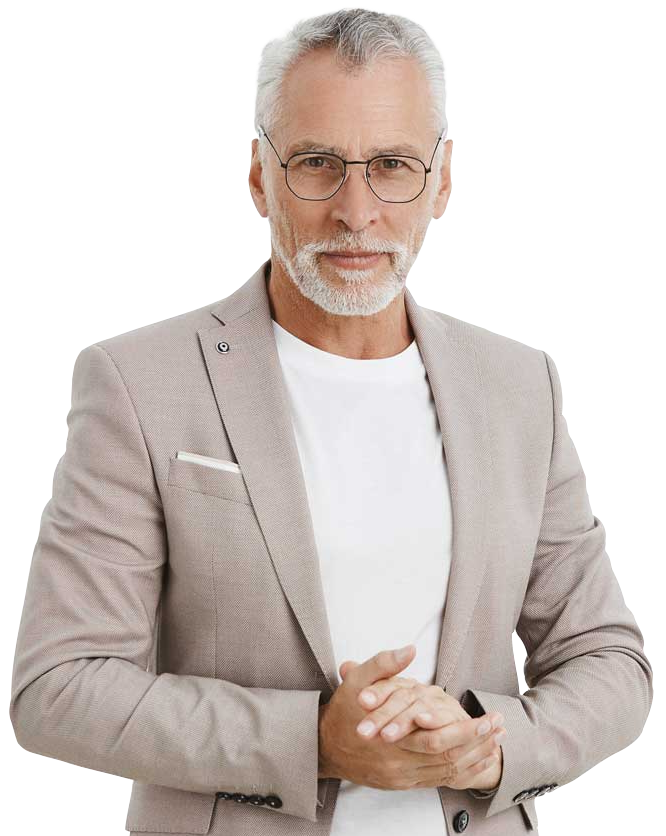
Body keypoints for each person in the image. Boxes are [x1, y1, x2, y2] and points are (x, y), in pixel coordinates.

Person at [9, 7, 652, 836]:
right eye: (317, 163)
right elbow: (59, 688)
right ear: (259, 178)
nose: (356, 210)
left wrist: (489, 747)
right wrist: (312, 742)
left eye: (392, 165)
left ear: (441, 180)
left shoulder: (519, 387)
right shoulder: (141, 384)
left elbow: (609, 663)